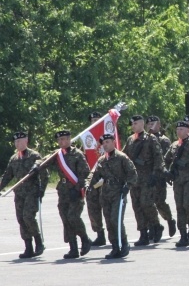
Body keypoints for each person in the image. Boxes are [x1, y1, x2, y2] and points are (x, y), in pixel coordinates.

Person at [0, 131, 48, 259]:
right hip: (19, 193)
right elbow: (7, 175)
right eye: (16, 141)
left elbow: (44, 174)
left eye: (20, 141)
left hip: (32, 192)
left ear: (26, 141)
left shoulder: (34, 156)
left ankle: (39, 242)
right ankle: (28, 247)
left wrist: (42, 189)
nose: (18, 143)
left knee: (28, 216)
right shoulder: (14, 158)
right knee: (21, 219)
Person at [85, 134, 138, 259]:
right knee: (109, 222)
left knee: (116, 220)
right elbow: (94, 175)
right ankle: (115, 247)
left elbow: (133, 174)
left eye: (108, 142)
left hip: (118, 193)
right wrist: (88, 185)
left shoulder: (121, 157)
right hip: (106, 194)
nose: (105, 145)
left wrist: (127, 186)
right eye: (103, 143)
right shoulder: (102, 160)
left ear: (114, 142)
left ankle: (124, 244)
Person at [43, 130, 92, 259]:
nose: (62, 142)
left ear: (70, 139)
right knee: (66, 219)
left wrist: (77, 188)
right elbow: (43, 162)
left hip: (75, 191)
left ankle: (85, 239)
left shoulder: (77, 154)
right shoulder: (57, 155)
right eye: (59, 140)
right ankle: (73, 248)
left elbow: (85, 174)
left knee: (73, 217)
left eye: (64, 139)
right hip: (63, 191)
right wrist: (36, 166)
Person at [123, 115, 165, 246]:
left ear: (141, 124)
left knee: (146, 203)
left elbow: (158, 158)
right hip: (134, 179)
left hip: (147, 178)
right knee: (137, 206)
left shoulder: (151, 139)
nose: (133, 126)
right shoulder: (130, 140)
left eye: (135, 123)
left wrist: (155, 174)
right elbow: (124, 157)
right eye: (132, 124)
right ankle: (143, 233)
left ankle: (156, 225)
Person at [164, 121, 189, 247]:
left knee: (188, 205)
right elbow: (165, 160)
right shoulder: (174, 145)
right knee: (180, 207)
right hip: (178, 181)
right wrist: (167, 172)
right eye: (177, 129)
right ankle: (183, 236)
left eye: (182, 129)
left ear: (188, 131)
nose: (179, 131)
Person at [146, 115, 177, 239]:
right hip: (146, 177)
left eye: (154, 124)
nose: (151, 126)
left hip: (158, 177)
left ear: (159, 125)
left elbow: (165, 159)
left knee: (159, 202)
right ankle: (154, 227)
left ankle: (169, 219)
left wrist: (166, 173)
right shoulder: (144, 139)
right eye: (149, 124)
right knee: (147, 203)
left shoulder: (164, 140)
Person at [86, 111, 106, 246]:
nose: (95, 122)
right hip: (93, 179)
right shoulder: (87, 138)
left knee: (109, 208)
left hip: (106, 179)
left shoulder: (107, 138)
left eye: (98, 120)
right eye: (93, 120)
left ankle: (115, 234)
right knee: (93, 208)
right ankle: (100, 234)